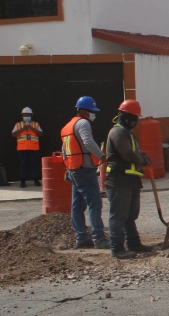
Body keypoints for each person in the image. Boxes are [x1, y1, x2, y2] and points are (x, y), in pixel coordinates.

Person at [104, 99, 153, 259]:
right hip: (119, 180)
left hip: (130, 180)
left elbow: (135, 151)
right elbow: (127, 154)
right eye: (133, 117)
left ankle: (133, 243)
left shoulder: (127, 133)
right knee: (118, 215)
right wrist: (142, 160)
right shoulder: (117, 132)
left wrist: (142, 156)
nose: (135, 120)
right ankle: (117, 248)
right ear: (124, 115)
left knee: (130, 215)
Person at [60, 96, 106, 249]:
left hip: (74, 169)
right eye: (92, 111)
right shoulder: (83, 123)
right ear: (83, 111)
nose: (93, 114)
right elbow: (88, 141)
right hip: (85, 169)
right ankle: (99, 238)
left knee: (77, 206)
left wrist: (68, 167)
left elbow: (64, 150)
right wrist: (102, 156)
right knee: (95, 203)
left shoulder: (67, 127)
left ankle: (82, 238)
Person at [11, 106, 42, 188]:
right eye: (25, 115)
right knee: (23, 164)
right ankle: (22, 181)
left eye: (28, 115)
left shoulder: (36, 124)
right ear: (22, 116)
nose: (26, 117)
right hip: (22, 149)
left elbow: (40, 134)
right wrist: (23, 129)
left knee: (34, 164)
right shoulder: (18, 125)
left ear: (31, 116)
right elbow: (13, 134)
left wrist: (31, 128)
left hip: (34, 148)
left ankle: (36, 180)